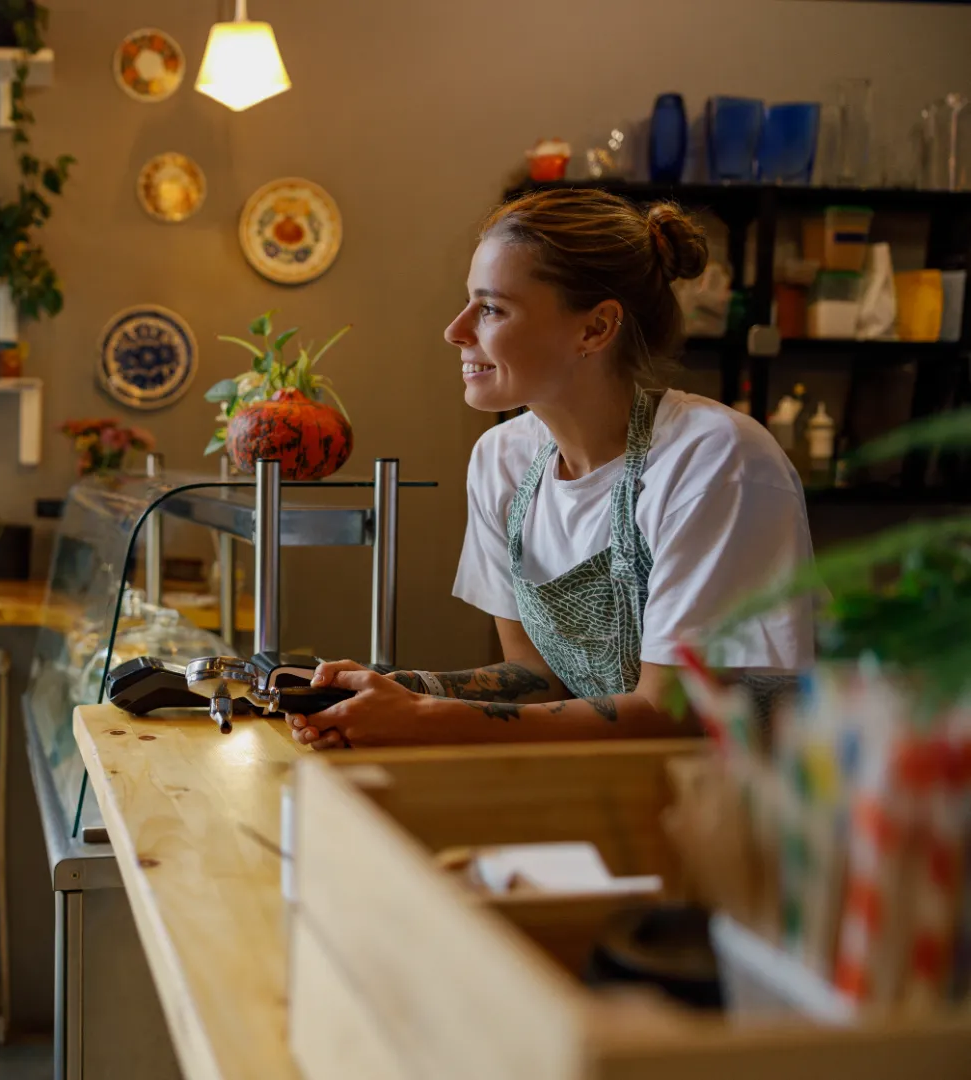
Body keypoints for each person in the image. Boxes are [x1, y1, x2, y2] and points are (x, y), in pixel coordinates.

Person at [293, 188, 814, 749]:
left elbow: (675, 713)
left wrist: (420, 717)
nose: (456, 330)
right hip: (604, 787)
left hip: (751, 807)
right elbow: (541, 682)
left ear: (595, 329)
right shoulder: (504, 461)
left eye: (490, 308)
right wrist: (395, 692)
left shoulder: (714, 460)